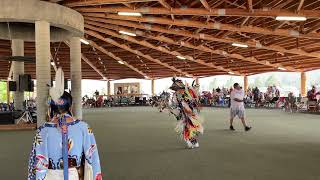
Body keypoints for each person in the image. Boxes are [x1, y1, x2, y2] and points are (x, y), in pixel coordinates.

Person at [28, 68, 102, 180]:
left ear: (51, 107)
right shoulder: (84, 127)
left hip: (50, 175)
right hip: (74, 175)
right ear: (70, 106)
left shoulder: (43, 130)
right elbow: (92, 158)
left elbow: (37, 161)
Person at [169, 78, 203, 149]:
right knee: (186, 127)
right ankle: (190, 141)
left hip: (191, 113)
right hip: (183, 114)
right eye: (176, 88)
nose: (178, 90)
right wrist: (175, 111)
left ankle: (192, 141)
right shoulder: (176, 95)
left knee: (193, 127)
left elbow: (194, 100)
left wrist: (196, 104)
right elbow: (174, 105)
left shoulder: (188, 92)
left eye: (179, 88)